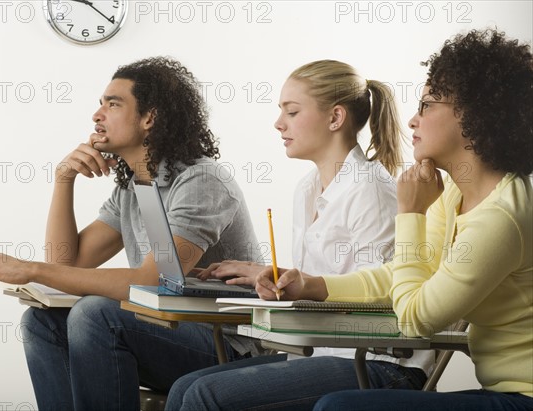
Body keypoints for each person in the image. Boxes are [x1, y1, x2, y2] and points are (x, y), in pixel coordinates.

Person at [255, 29, 533, 411]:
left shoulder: (502, 217)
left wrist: (411, 212)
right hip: (501, 392)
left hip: (522, 398)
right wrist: (313, 285)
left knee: (339, 408)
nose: (413, 121)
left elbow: (417, 318)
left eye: (428, 105)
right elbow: (397, 275)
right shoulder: (454, 193)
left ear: (472, 114)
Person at [0, 57, 265, 411]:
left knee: (96, 313)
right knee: (42, 320)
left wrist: (33, 269)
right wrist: (63, 179)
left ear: (149, 118)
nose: (97, 115)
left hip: (227, 346)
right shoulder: (134, 189)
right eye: (100, 104)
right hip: (164, 332)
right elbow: (67, 263)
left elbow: (153, 280)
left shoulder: (201, 181)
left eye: (113, 104)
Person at [166, 60, 434, 411]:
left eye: (291, 112)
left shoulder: (370, 190)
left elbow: (389, 298)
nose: (279, 123)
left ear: (335, 118)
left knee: (205, 396)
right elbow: (335, 276)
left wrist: (304, 287)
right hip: (320, 353)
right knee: (186, 386)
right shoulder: (307, 189)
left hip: (379, 363)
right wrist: (268, 277)